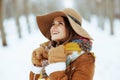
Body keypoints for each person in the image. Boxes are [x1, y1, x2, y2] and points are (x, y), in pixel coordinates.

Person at [30, 8, 95, 80]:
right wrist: (37, 66)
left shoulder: (84, 59)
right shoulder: (47, 53)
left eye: (60, 23)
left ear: (71, 28)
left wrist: (56, 67)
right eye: (53, 24)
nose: (53, 27)